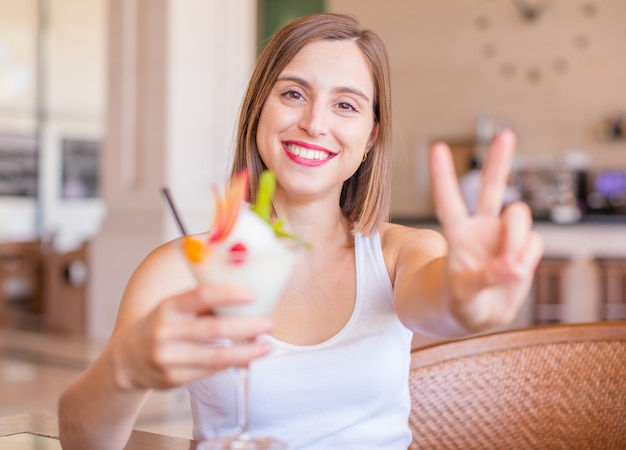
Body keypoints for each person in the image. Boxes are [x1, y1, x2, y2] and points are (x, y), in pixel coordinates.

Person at [58, 13, 543, 450]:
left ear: (371, 137)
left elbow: (442, 302)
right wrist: (123, 370)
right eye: (293, 94)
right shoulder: (181, 268)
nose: (314, 123)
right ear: (259, 111)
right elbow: (82, 441)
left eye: (346, 106)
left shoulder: (400, 252)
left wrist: (471, 298)